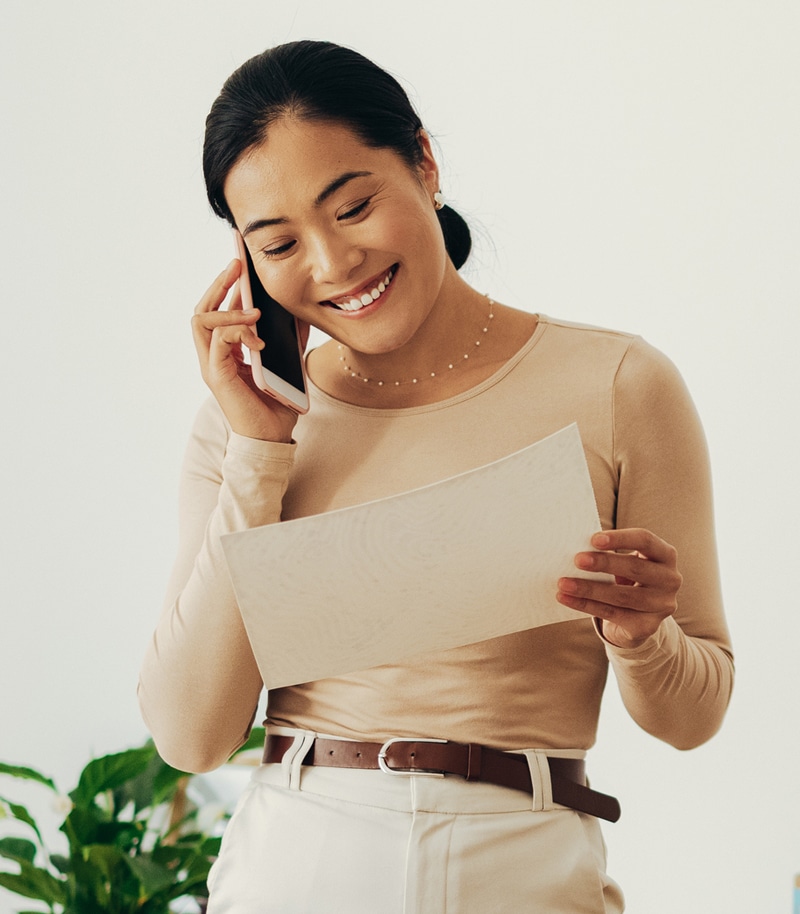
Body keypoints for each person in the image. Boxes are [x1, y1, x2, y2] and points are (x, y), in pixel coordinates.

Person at [138, 40, 733, 913]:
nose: (333, 264)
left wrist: (641, 637)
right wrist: (259, 456)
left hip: (525, 862)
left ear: (423, 162)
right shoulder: (243, 429)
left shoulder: (621, 386)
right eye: (279, 242)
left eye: (352, 206)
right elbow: (191, 734)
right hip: (298, 860)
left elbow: (695, 715)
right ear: (245, 261)